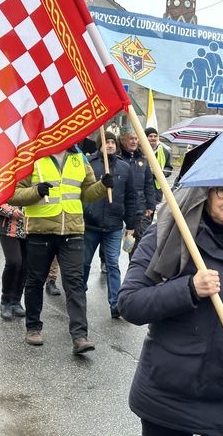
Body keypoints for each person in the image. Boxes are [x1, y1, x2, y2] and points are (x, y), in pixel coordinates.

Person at [117, 186, 223, 436]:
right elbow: (130, 303)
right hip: (170, 398)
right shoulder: (167, 233)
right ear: (203, 193)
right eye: (222, 190)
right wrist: (189, 288)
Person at [9, 146, 113, 355]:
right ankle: (33, 328)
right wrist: (35, 191)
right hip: (40, 231)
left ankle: (80, 336)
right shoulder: (32, 157)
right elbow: (12, 194)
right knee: (36, 281)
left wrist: (102, 186)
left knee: (75, 282)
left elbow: (87, 193)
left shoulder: (79, 158)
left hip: (72, 231)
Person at [83, 131, 136, 319]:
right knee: (84, 263)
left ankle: (115, 303)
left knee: (113, 264)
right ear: (100, 145)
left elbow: (131, 197)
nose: (110, 145)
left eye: (113, 142)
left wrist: (130, 224)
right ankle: (78, 297)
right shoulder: (89, 164)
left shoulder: (124, 167)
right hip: (90, 225)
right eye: (107, 142)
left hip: (114, 225)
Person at [117, 126, 156, 258]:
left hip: (139, 208)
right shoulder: (117, 159)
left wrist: (151, 205)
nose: (134, 142)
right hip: (119, 207)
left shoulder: (142, 161)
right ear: (123, 140)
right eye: (131, 139)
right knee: (113, 244)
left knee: (138, 244)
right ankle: (106, 260)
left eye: (136, 139)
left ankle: (134, 269)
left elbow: (149, 184)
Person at [0, 204, 27, 321]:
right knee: (14, 262)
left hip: (30, 228)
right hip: (8, 227)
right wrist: (11, 210)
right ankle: (6, 301)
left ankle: (16, 301)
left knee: (24, 266)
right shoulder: (2, 183)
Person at [143, 127, 172, 204]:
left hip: (156, 188)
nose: (153, 138)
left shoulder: (165, 151)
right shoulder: (140, 150)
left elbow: (168, 167)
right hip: (143, 187)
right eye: (150, 136)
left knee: (152, 210)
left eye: (155, 136)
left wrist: (162, 173)